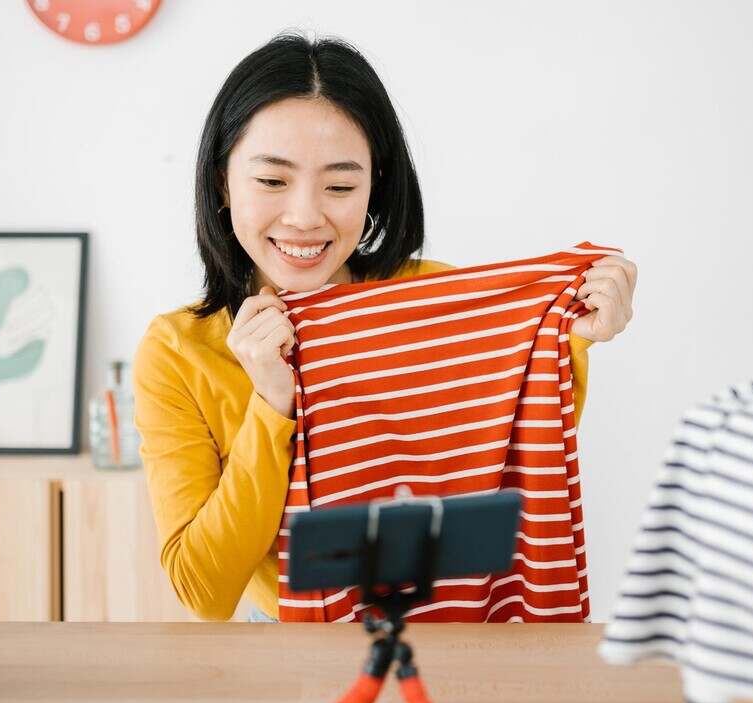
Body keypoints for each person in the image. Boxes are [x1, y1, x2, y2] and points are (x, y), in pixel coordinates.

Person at [133, 31, 638, 623]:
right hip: (290, 641)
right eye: (272, 181)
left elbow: (516, 462)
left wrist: (569, 337)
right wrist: (271, 406)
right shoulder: (178, 351)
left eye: (340, 186)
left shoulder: (435, 300)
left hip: (455, 623)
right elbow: (204, 591)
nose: (304, 217)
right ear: (222, 181)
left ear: (375, 186)